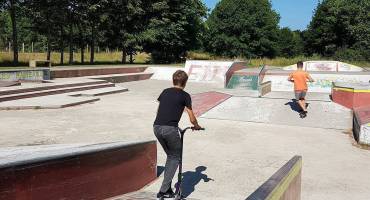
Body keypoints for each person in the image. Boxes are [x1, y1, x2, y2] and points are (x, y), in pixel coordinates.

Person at [153, 70, 203, 199]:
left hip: (157, 127)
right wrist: (196, 126)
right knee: (175, 157)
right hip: (170, 129)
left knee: (171, 156)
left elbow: (159, 110)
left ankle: (168, 188)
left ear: (173, 80)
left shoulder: (165, 91)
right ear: (185, 82)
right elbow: (191, 117)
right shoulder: (185, 95)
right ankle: (163, 191)